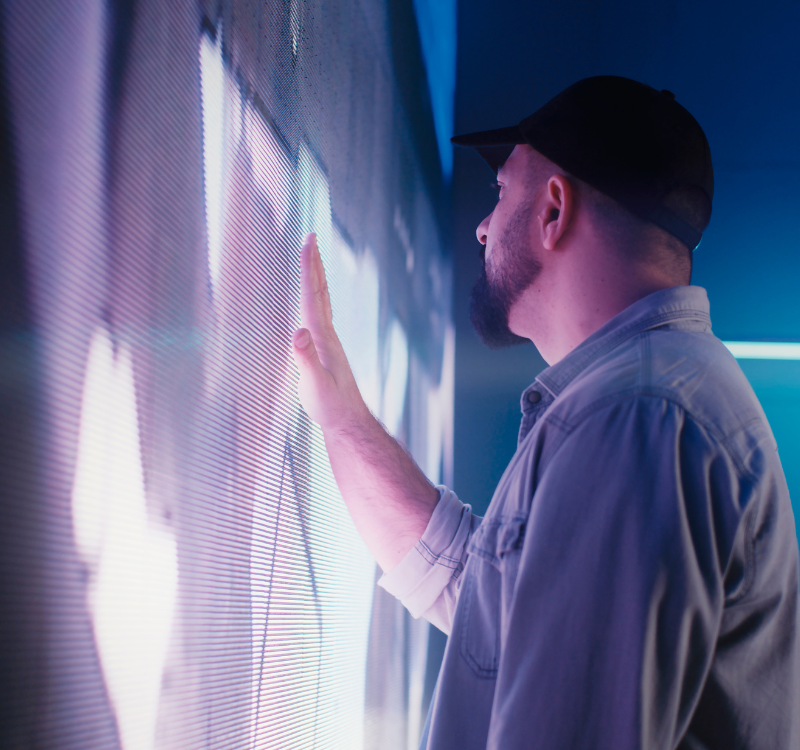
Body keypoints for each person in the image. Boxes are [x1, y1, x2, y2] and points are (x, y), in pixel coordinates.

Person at [290, 76, 800, 749]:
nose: (481, 225)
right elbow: (484, 600)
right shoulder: (648, 401)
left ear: (554, 210)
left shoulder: (637, 421)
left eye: (502, 195)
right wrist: (344, 419)